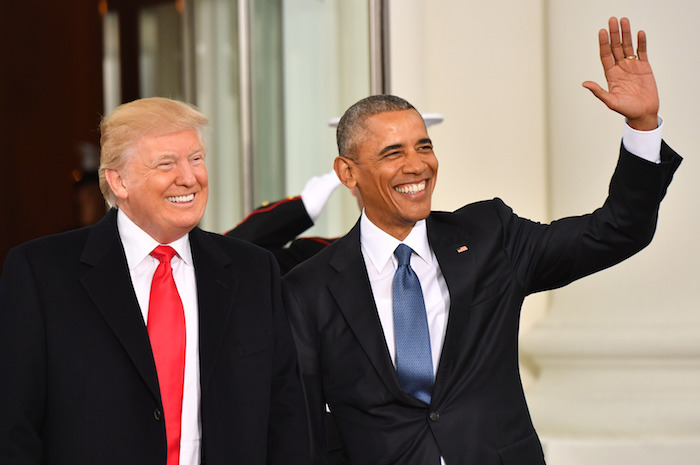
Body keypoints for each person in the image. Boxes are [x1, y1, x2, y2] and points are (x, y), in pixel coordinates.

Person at [282, 17, 682, 465]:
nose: (417, 165)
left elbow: (615, 231)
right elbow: (300, 425)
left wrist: (643, 126)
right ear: (347, 172)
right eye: (393, 153)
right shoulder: (308, 288)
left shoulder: (490, 235)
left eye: (424, 147)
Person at [0, 97, 309, 465]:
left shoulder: (254, 271)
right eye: (166, 163)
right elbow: (14, 427)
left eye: (196, 159)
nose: (189, 177)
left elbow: (287, 417)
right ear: (119, 181)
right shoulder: (41, 273)